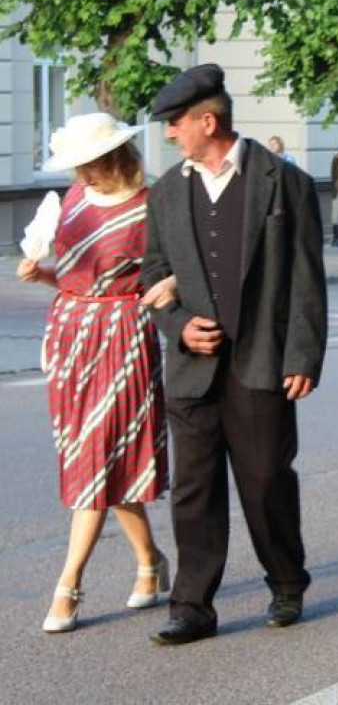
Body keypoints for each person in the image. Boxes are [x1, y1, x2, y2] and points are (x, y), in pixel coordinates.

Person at [142, 64, 328, 644]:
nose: (170, 134)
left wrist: (303, 356)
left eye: (176, 123)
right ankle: (192, 607)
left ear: (207, 120)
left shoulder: (283, 181)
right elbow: (153, 275)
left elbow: (306, 277)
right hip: (193, 370)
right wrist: (177, 328)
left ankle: (287, 581)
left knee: (265, 480)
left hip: (263, 360)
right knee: (195, 491)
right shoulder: (167, 191)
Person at [17, 113, 176, 633]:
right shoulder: (72, 201)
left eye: (88, 166)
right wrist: (39, 273)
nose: (80, 176)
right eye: (77, 167)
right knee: (106, 463)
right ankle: (150, 563)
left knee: (96, 457)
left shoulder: (152, 207)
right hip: (71, 335)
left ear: (115, 158)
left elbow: (180, 269)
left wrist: (169, 289)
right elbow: (70, 275)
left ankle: (68, 588)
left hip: (123, 336)